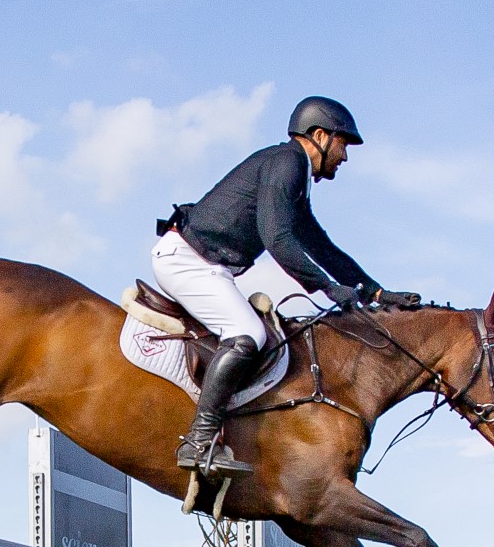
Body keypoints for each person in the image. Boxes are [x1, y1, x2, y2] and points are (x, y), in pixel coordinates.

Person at [150, 95, 414, 477]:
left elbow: (320, 245)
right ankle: (199, 440)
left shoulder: (295, 176)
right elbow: (277, 240)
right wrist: (326, 289)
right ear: (320, 135)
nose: (344, 157)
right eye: (343, 144)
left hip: (207, 266)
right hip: (188, 261)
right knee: (248, 334)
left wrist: (374, 291)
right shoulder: (287, 163)